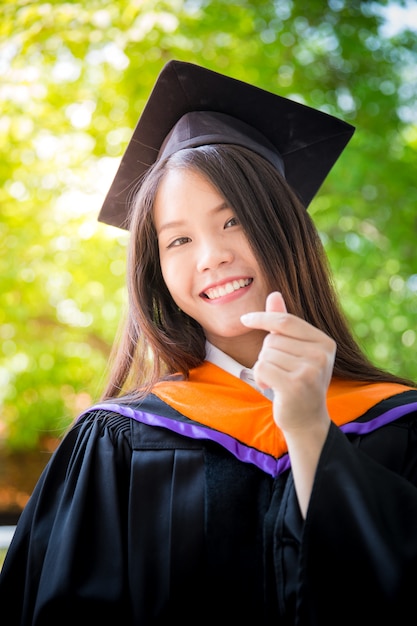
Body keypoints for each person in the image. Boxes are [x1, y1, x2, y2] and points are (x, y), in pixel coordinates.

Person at [1, 59, 416, 626]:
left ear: (286, 230)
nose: (210, 256)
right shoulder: (118, 441)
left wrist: (312, 433)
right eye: (178, 240)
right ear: (158, 272)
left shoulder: (398, 423)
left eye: (233, 221)